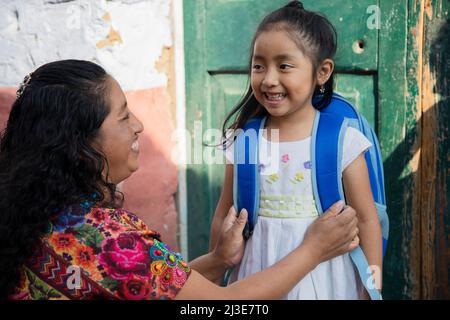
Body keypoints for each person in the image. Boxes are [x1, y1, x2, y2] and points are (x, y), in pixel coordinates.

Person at [0, 59, 359, 300]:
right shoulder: (108, 239)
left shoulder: (33, 214)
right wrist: (314, 250)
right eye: (124, 117)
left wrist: (218, 260)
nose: (138, 125)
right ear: (80, 146)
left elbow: (142, 282)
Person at [210, 1, 382, 299]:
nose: (269, 79)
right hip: (257, 277)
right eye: (258, 65)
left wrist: (372, 286)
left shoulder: (342, 141)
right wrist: (213, 276)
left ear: (322, 72)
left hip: (327, 280)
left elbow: (367, 220)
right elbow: (222, 216)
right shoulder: (244, 141)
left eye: (284, 66)